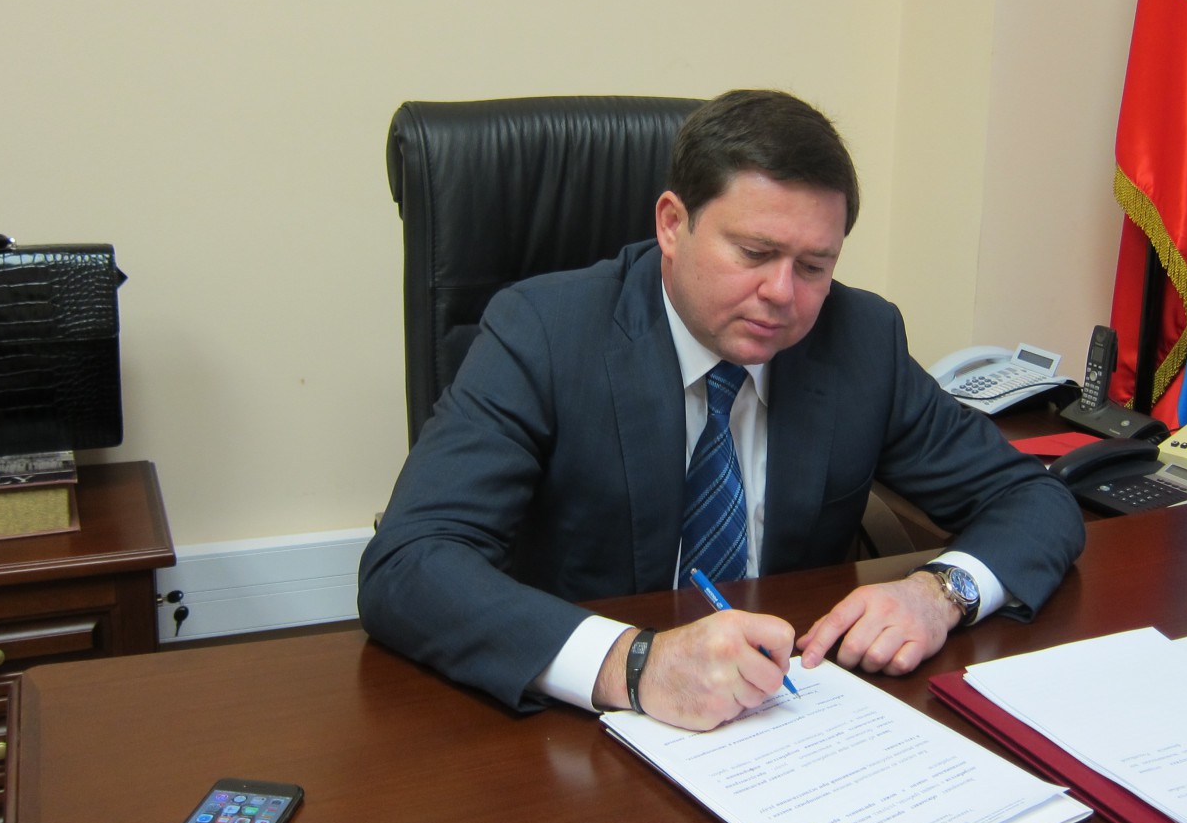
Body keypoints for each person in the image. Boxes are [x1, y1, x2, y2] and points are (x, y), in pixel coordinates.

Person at [358, 89, 1084, 731]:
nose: (782, 294)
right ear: (672, 224)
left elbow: (1033, 499)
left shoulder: (860, 340)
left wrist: (942, 592)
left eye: (814, 266)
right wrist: (633, 664)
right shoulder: (543, 333)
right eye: (754, 252)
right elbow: (408, 563)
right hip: (581, 731)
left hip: (784, 716)